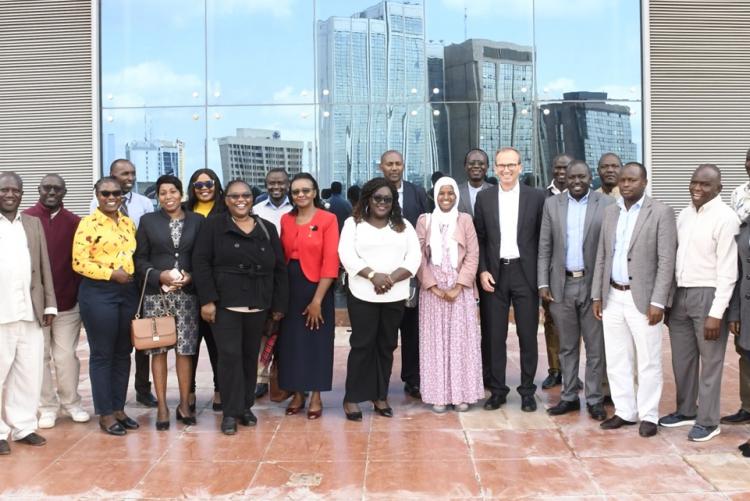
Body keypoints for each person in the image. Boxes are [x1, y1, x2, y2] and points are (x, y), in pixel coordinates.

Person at [192, 179, 288, 435]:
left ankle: (245, 406)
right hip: (225, 304)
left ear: (252, 198)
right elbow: (200, 263)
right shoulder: (213, 226)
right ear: (226, 200)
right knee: (229, 357)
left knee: (249, 359)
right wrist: (207, 300)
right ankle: (230, 412)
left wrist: (278, 305)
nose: (240, 200)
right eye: (234, 196)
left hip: (258, 303)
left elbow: (279, 268)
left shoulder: (267, 228)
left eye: (245, 195)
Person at [592, 162, 677, 438]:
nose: (626, 184)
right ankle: (625, 411)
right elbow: (603, 255)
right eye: (623, 180)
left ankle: (649, 414)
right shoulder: (610, 212)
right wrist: (598, 294)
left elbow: (666, 261)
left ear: (644, 182)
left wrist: (659, 302)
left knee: (648, 359)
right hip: (613, 296)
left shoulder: (661, 213)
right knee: (617, 358)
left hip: (644, 299)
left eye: (632, 180)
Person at [659, 165, 739, 441]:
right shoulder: (683, 215)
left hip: (709, 295)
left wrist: (717, 313)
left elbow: (728, 270)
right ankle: (686, 410)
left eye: (705, 185)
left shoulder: (726, 218)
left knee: (711, 362)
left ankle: (708, 420)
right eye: (694, 183)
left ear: (719, 188)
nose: (697, 188)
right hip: (681, 295)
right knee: (682, 360)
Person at [339, 177, 421, 420]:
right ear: (367, 199)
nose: (382, 202)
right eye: (377, 198)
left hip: (394, 295)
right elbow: (346, 255)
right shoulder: (353, 224)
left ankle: (380, 395)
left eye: (388, 198)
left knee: (386, 346)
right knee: (362, 345)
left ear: (394, 201)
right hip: (363, 293)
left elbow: (413, 259)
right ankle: (352, 397)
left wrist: (390, 279)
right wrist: (373, 276)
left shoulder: (404, 225)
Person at [538, 161, 614, 421]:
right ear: (565, 179)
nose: (577, 181)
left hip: (592, 285)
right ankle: (569, 397)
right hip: (562, 285)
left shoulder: (605, 204)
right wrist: (543, 283)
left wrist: (603, 289)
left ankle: (594, 399)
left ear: (590, 177)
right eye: (572, 177)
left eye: (582, 176)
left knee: (595, 347)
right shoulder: (552, 205)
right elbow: (544, 247)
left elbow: (609, 249)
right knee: (567, 347)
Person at [474, 147, 545, 412]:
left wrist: (541, 277)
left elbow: (542, 239)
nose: (506, 170)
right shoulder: (485, 198)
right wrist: (482, 269)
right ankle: (498, 390)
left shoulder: (536, 197)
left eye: (511, 165)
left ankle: (527, 391)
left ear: (520, 166)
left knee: (528, 334)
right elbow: (479, 237)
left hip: (525, 274)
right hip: (495, 273)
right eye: (501, 165)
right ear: (494, 168)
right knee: (494, 336)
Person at [135, 175, 203, 430]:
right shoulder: (147, 221)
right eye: (162, 193)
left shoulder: (198, 221)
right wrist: (157, 275)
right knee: (158, 350)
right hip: (156, 297)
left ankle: (185, 404)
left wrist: (192, 277)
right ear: (157, 197)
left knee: (185, 350)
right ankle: (163, 406)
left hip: (187, 297)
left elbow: (203, 256)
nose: (168, 197)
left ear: (181, 193)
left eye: (172, 191)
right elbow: (139, 260)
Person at [74, 176, 140, 436]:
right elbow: (79, 262)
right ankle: (105, 413)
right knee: (103, 354)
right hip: (99, 292)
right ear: (97, 195)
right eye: (105, 193)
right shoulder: (87, 224)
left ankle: (119, 408)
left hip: (127, 292)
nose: (111, 197)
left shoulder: (128, 223)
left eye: (116, 193)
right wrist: (111, 274)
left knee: (124, 352)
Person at [90, 159, 156, 408]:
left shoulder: (144, 203)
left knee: (141, 338)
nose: (129, 177)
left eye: (133, 173)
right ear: (111, 176)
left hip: (139, 278)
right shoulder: (97, 205)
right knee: (111, 346)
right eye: (123, 173)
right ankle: (109, 404)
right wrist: (110, 273)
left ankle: (142, 388)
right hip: (108, 284)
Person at [23, 174, 88, 429]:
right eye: (47, 187)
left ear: (65, 192)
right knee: (40, 357)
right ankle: (46, 407)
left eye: (57, 188)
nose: (51, 192)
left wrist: (76, 292)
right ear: (38, 189)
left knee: (65, 357)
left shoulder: (75, 222)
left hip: (67, 301)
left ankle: (71, 403)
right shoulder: (25, 220)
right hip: (35, 304)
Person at [0, 171, 56, 455]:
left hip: (29, 312)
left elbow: (43, 266)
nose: (10, 195)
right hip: (1, 314)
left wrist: (49, 304)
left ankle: (23, 427)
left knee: (28, 373)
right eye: (4, 190)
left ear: (23, 194)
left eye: (15, 191)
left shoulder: (32, 224)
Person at [416, 176, 483, 412]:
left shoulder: (464, 220)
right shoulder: (425, 220)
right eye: (441, 193)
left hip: (460, 291)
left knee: (460, 342)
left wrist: (458, 286)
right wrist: (432, 286)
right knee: (435, 343)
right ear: (435, 196)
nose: (446, 198)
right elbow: (419, 257)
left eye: (450, 193)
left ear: (456, 196)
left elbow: (473, 255)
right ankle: (439, 395)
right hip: (432, 293)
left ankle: (461, 394)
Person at [277, 173, 339, 419]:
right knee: (291, 343)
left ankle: (315, 395)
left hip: (317, 286)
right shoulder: (285, 219)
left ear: (314, 192)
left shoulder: (328, 219)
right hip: (289, 286)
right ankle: (297, 393)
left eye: (305, 190)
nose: (300, 195)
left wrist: (317, 300)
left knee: (317, 343)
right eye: (295, 192)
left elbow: (330, 260)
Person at [379, 150, 429, 399]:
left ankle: (413, 379)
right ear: (381, 167)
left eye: (398, 163)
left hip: (412, 274)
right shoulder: (373, 192)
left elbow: (427, 226)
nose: (394, 168)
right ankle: (380, 383)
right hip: (381, 276)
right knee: (385, 334)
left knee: (412, 331)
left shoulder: (417, 192)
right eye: (389, 164)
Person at [184, 168, 224, 412]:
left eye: (209, 183)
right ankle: (189, 391)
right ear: (192, 189)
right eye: (199, 185)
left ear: (217, 185)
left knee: (218, 344)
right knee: (189, 345)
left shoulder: (226, 210)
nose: (204, 188)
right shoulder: (185, 212)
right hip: (188, 289)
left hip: (217, 288)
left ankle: (220, 390)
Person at [252, 168, 293, 400]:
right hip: (265, 278)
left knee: (288, 332)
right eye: (271, 183)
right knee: (264, 331)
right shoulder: (256, 211)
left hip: (293, 275)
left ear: (287, 184)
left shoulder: (297, 209)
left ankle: (288, 377)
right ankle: (261, 378)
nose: (276, 187)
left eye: (280, 183)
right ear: (265, 184)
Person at [540, 153, 574, 390]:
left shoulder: (583, 197)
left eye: (566, 168)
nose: (561, 172)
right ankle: (554, 370)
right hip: (551, 273)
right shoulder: (542, 197)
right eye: (558, 168)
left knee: (575, 325)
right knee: (551, 322)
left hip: (577, 272)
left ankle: (571, 370)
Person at [724, 147, 750, 426]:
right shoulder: (738, 193)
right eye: (748, 158)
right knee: (745, 352)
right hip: (744, 296)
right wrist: (734, 312)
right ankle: (748, 407)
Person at [728, 213, 750, 455]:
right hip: (746, 308)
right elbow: (739, 272)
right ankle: (748, 408)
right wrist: (734, 313)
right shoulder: (745, 223)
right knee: (746, 358)